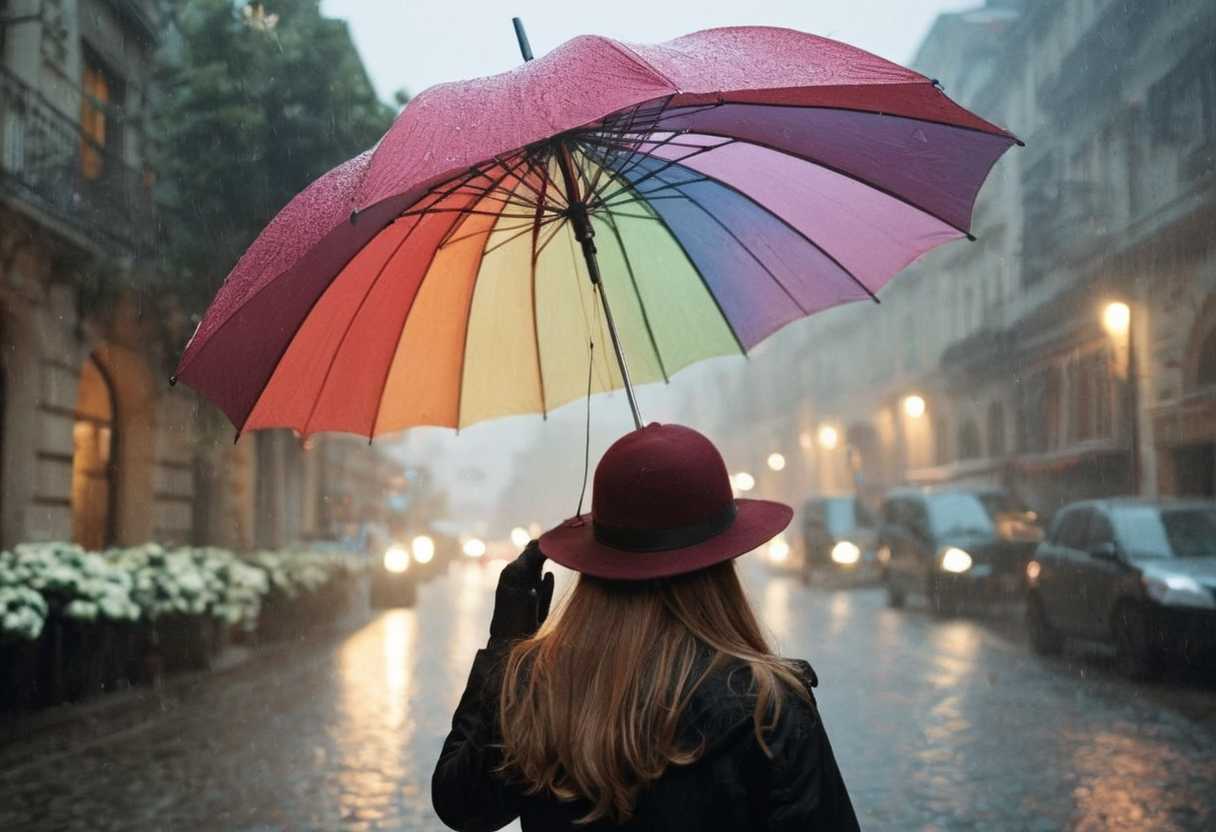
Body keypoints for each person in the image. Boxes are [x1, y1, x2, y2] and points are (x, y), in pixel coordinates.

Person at [432, 423, 858, 831]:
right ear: (723, 561)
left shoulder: (537, 687)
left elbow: (464, 806)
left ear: (597, 562)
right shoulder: (768, 706)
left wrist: (506, 647)